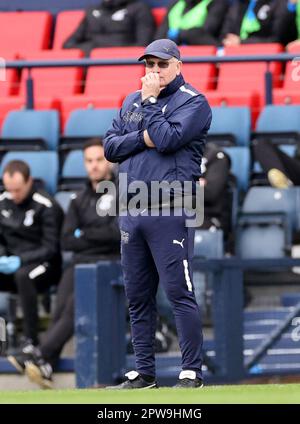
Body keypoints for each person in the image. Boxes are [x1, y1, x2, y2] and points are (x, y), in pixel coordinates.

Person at [104, 38, 212, 389]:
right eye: (149, 65)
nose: (153, 71)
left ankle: (191, 370)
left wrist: (150, 106)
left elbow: (165, 140)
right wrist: (143, 135)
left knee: (179, 291)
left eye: (161, 65)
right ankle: (144, 372)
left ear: (178, 65)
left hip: (172, 207)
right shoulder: (130, 101)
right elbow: (110, 147)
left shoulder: (194, 103)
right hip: (132, 208)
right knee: (137, 295)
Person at [7, 139, 120, 388]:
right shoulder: (78, 199)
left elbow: (117, 234)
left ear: (109, 161)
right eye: (89, 161)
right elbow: (67, 240)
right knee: (59, 310)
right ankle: (46, 364)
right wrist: (90, 235)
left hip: (111, 264)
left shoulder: (122, 192)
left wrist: (85, 234)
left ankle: (37, 354)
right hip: (79, 262)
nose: (94, 166)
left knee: (73, 308)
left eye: (99, 160)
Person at [0, 160, 63, 356]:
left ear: (29, 182)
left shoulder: (47, 205)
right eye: (10, 190)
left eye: (18, 190)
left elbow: (51, 247)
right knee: (17, 274)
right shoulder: (3, 200)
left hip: (44, 265)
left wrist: (22, 259)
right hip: (11, 263)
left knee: (23, 276)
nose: (14, 195)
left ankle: (31, 341)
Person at [63, 0, 155, 55]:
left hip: (121, 65)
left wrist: (103, 51)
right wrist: (92, 49)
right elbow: (68, 45)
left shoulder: (140, 8)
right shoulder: (92, 11)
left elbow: (143, 45)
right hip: (89, 65)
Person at [155, 0, 228, 46]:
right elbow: (159, 37)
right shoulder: (175, 4)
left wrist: (179, 34)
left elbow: (205, 34)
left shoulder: (216, 3)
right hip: (171, 55)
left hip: (199, 54)